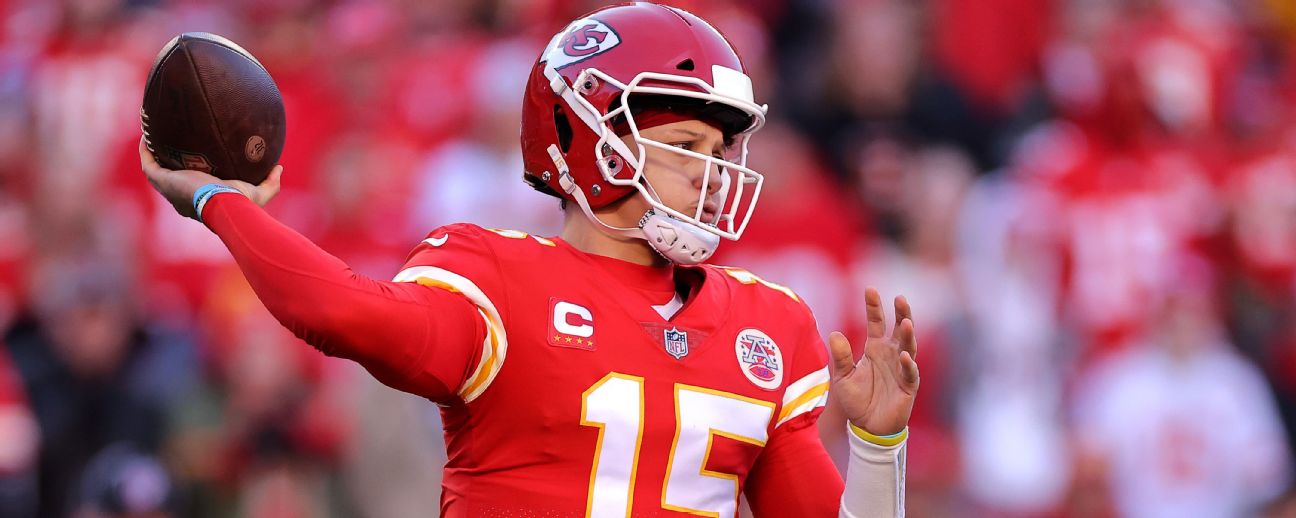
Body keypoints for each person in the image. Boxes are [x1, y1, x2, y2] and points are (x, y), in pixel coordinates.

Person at [139, 3, 920, 516]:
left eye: (719, 151)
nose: (712, 175)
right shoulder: (498, 277)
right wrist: (218, 201)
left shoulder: (770, 325)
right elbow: (339, 311)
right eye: (685, 147)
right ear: (589, 140)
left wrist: (879, 448)